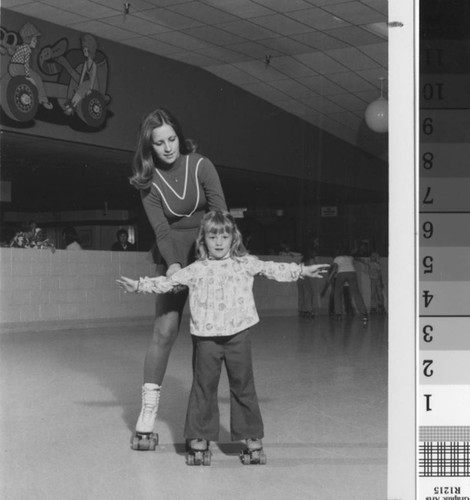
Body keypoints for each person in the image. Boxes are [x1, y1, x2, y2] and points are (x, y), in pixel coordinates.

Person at [117, 211, 329, 463]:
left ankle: (251, 436)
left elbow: (271, 268)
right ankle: (198, 435)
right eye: (213, 236)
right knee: (203, 388)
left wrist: (302, 270)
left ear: (233, 239)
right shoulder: (196, 269)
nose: (219, 242)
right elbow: (167, 283)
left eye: (224, 236)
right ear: (203, 240)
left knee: (243, 386)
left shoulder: (244, 263)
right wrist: (140, 285)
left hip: (238, 335)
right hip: (206, 338)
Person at [128, 108, 227, 450]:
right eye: (159, 143)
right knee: (165, 330)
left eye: (171, 139)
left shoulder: (201, 165)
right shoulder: (148, 182)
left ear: (179, 137)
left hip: (207, 255)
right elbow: (161, 229)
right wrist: (172, 265)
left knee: (207, 336)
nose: (168, 147)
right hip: (171, 254)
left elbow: (220, 215)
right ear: (150, 147)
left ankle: (200, 420)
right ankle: (148, 412)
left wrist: (217, 260)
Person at [8, 23, 53, 110]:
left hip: (12, 67)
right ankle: (44, 100)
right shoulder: (27, 49)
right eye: (34, 40)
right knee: (37, 77)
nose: (36, 42)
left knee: (33, 78)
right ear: (29, 40)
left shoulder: (21, 47)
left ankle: (38, 97)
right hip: (19, 67)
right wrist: (28, 76)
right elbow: (26, 64)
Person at [330, 248, 368, 321]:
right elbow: (353, 262)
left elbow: (335, 268)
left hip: (341, 273)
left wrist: (329, 277)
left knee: (337, 293)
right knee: (356, 293)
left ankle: (338, 314)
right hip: (352, 273)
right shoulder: (350, 257)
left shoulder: (337, 258)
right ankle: (364, 313)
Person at [297, 247, 317, 318]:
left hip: (299, 278)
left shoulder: (302, 260)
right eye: (314, 252)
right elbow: (315, 268)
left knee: (301, 295)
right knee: (309, 294)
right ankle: (309, 310)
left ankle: (301, 311)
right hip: (305, 278)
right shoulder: (310, 260)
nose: (315, 254)